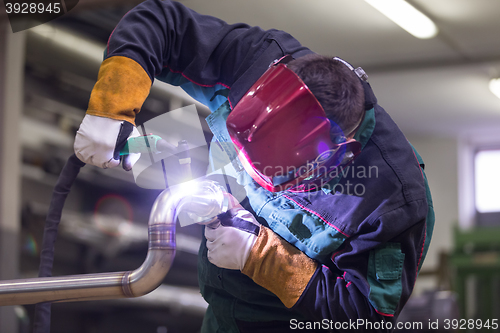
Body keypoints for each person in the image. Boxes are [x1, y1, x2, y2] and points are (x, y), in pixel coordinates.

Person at [73, 0, 435, 332]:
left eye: (270, 176)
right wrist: (112, 107)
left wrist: (259, 256)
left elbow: (367, 316)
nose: (251, 179)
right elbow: (157, 20)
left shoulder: (393, 201)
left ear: (335, 157)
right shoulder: (256, 62)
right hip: (220, 315)